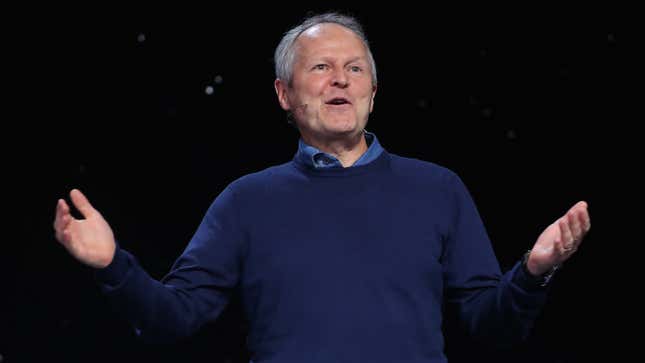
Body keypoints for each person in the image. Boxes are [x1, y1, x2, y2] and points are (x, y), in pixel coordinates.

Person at [53, 12, 591, 363]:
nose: (341, 79)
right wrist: (111, 265)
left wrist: (533, 272)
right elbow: (173, 319)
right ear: (284, 94)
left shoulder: (438, 189)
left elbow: (490, 325)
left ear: (373, 93)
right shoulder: (246, 201)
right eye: (322, 67)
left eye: (355, 69)